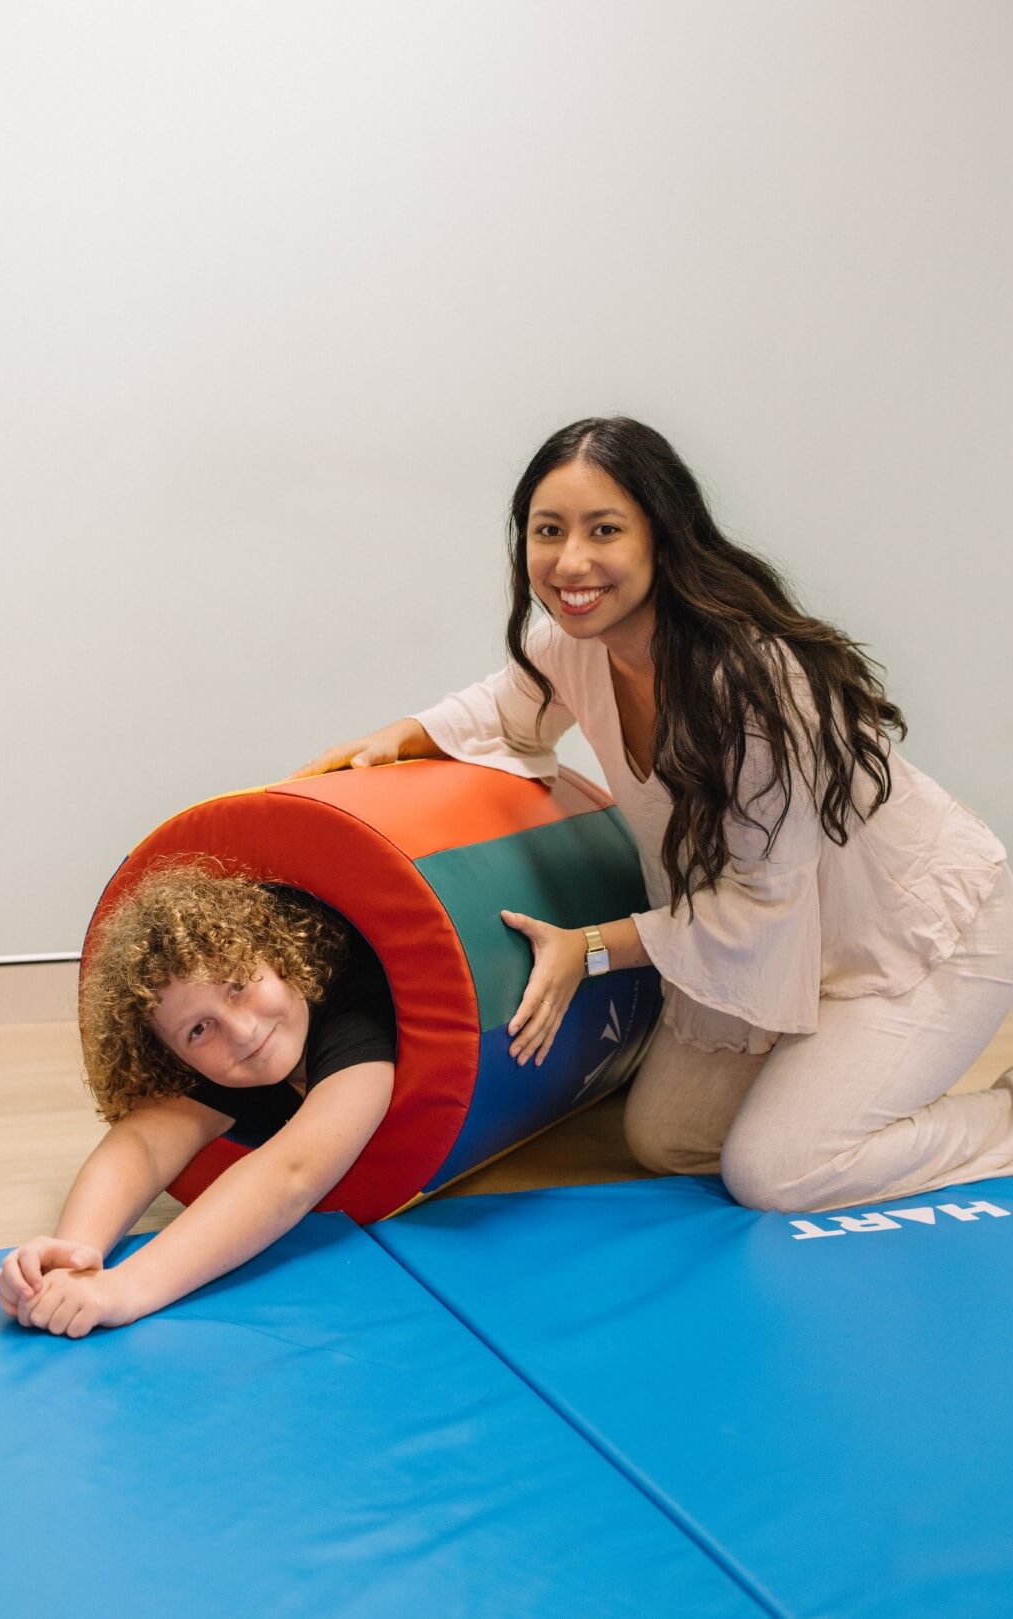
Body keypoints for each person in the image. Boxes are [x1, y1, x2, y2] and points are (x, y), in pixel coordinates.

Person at [295, 416, 1013, 1214]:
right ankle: (831, 1087)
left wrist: (593, 948)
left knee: (776, 1174)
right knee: (666, 1139)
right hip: (790, 940)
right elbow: (500, 707)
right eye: (548, 531)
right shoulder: (577, 645)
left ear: (662, 539)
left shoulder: (750, 684)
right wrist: (400, 737)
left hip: (914, 931)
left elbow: (762, 903)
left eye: (604, 530)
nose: (571, 562)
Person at [0, 864, 396, 1337]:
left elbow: (293, 1174)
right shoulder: (230, 1061)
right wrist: (70, 1256)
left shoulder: (357, 1022)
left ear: (281, 955)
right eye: (198, 1030)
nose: (243, 1031)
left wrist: (126, 1288)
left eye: (239, 985)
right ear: (173, 1059)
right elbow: (142, 1145)